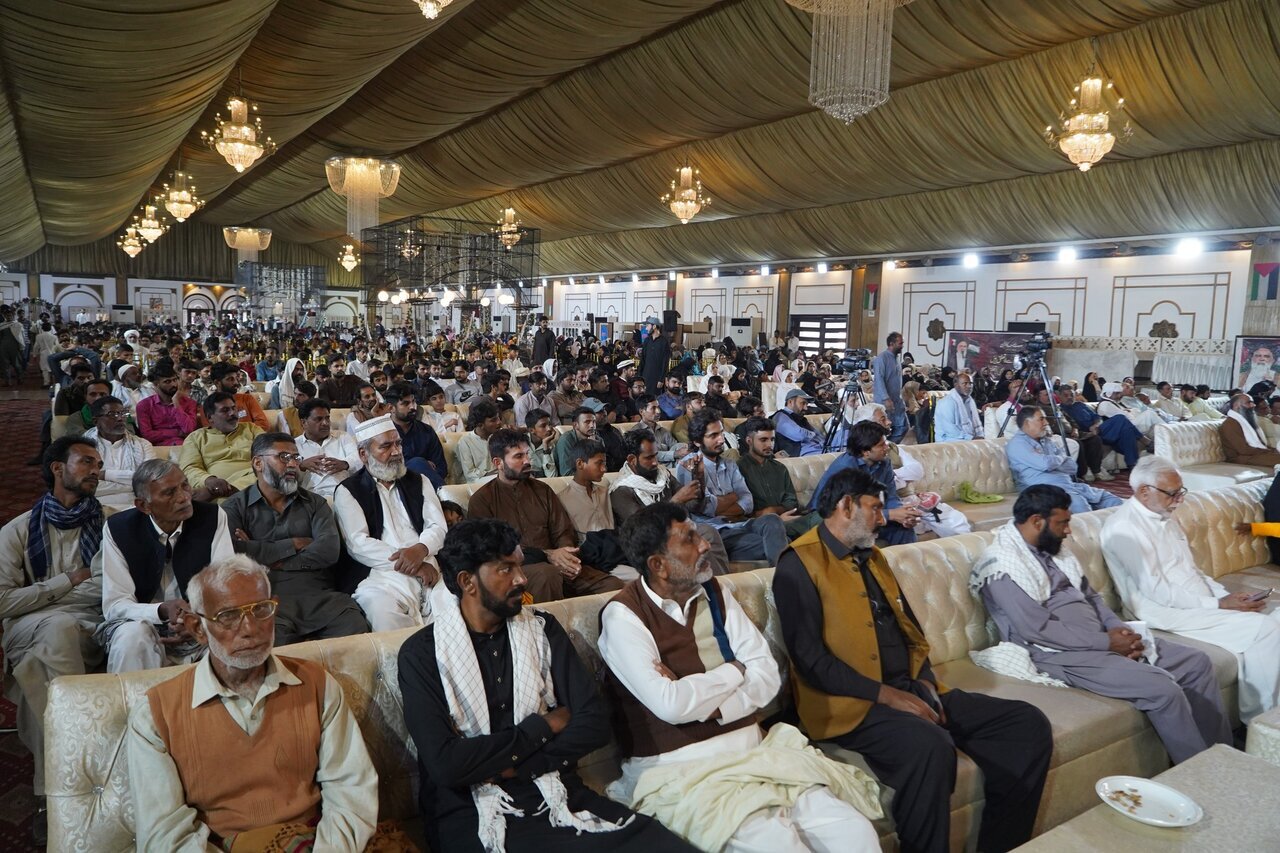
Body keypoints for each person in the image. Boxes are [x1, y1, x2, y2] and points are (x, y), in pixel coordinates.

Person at [775, 467, 1052, 853]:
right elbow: (811, 661)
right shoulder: (798, 563)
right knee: (930, 747)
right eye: (874, 508)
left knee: (1026, 725)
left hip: (907, 688)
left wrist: (922, 681)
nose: (882, 518)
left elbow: (908, 629)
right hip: (851, 705)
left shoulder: (871, 556)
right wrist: (888, 696)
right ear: (846, 506)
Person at [397, 518, 694, 853]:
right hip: (470, 811)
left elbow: (594, 723)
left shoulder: (543, 629)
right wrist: (545, 725)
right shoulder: (422, 654)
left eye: (519, 566)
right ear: (468, 582)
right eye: (506, 569)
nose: (522, 579)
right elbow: (446, 765)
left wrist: (516, 767)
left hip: (558, 790)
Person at [600, 502, 881, 852]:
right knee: (780, 846)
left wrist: (708, 701)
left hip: (759, 753)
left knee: (856, 833)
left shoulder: (714, 593)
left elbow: (767, 676)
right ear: (659, 565)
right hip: (685, 772)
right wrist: (735, 670)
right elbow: (670, 705)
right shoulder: (623, 617)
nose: (705, 544)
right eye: (689, 539)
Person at [127, 556, 382, 851]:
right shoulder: (156, 715)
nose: (250, 628)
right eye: (228, 616)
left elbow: (351, 792)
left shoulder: (317, 685)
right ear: (198, 628)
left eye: (261, 610)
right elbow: (165, 836)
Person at [973, 484, 1232, 764]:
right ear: (1037, 521)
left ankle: (1223, 757)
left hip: (1100, 639)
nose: (1068, 530)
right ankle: (1199, 772)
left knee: (1196, 663)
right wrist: (1108, 643)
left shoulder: (1055, 550)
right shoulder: (1002, 565)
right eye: (1063, 523)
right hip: (1057, 653)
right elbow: (1037, 630)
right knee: (1162, 689)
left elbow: (1091, 597)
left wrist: (1118, 629)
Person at [1101, 457, 1280, 722]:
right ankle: (1259, 721)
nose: (1180, 500)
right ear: (1144, 491)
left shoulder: (1165, 515)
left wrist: (1225, 596)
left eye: (1181, 491)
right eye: (1173, 493)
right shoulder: (1124, 528)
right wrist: (1219, 605)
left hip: (1198, 600)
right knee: (1265, 629)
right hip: (1162, 611)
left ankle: (1271, 709)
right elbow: (1157, 592)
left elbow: (1193, 570)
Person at [0, 437, 105, 832]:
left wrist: (37, 596)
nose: (96, 471)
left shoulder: (110, 524)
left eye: (99, 464)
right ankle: (81, 776)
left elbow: (108, 588)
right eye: (86, 462)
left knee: (39, 669)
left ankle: (52, 792)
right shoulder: (16, 531)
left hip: (90, 625)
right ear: (58, 468)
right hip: (28, 628)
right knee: (57, 629)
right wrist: (69, 580)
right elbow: (1, 601)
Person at [222, 433, 367, 645]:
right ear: (258, 463)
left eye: (296, 458)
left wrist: (263, 555)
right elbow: (234, 555)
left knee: (355, 629)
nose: (292, 464)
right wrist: (295, 544)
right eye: (283, 457)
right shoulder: (234, 507)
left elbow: (328, 551)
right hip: (265, 601)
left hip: (320, 597)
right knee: (271, 644)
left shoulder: (315, 503)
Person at [97, 458, 235, 672]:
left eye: (185, 485)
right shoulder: (119, 528)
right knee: (132, 638)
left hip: (201, 619)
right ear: (144, 505)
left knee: (231, 640)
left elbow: (225, 587)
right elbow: (116, 604)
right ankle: (137, 696)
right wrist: (161, 610)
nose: (184, 497)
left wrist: (198, 620)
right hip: (143, 621)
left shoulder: (213, 516)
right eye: (169, 493)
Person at [468, 429, 623, 602]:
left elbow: (563, 532)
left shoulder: (542, 490)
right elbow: (492, 551)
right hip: (514, 570)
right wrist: (548, 554)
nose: (527, 461)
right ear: (498, 463)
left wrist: (566, 558)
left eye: (527, 454)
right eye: (518, 456)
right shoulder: (482, 500)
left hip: (556, 565)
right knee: (547, 575)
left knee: (613, 585)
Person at [333, 414, 448, 630]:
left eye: (398, 444)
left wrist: (421, 549)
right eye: (386, 446)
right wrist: (413, 564)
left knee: (452, 610)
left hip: (429, 564)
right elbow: (358, 543)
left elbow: (438, 526)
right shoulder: (348, 490)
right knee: (383, 613)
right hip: (380, 575)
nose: (396, 452)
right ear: (363, 454)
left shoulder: (419, 480)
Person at [610, 428, 731, 575]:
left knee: (709, 533)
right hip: (652, 545)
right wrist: (675, 501)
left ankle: (720, 582)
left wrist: (698, 477)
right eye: (649, 458)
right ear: (632, 460)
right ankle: (716, 585)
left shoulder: (662, 475)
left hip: (677, 532)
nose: (655, 462)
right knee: (703, 535)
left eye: (656, 455)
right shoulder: (621, 490)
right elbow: (643, 530)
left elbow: (694, 506)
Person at [674, 411, 789, 564]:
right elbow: (704, 507)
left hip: (739, 524)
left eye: (721, 433)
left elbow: (748, 502)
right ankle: (784, 576)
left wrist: (722, 505)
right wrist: (734, 497)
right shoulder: (688, 466)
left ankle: (782, 572)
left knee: (772, 520)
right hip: (716, 532)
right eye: (713, 436)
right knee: (782, 543)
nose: (721, 439)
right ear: (697, 441)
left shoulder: (730, 464)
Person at [808, 421, 921, 546]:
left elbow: (890, 496)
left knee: (904, 529)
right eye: (881, 445)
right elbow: (849, 511)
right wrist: (891, 514)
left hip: (865, 515)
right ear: (865, 451)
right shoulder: (846, 467)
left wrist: (903, 514)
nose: (887, 447)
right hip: (829, 516)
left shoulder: (884, 463)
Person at [1006, 406, 1121, 514]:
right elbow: (1045, 464)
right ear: (1027, 423)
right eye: (1041, 419)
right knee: (1081, 506)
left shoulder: (1046, 441)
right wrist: (1061, 459)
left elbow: (1072, 467)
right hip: (1043, 491)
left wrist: (1055, 461)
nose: (1046, 423)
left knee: (1114, 501)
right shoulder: (1018, 444)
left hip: (1069, 486)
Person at [737, 416, 821, 540]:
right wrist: (768, 515)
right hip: (759, 524)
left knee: (823, 516)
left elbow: (791, 501)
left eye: (772, 439)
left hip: (787, 518)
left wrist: (773, 510)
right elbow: (739, 509)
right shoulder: (738, 469)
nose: (769, 445)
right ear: (749, 441)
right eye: (763, 440)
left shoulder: (780, 468)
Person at [180, 391, 264, 502]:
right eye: (225, 410)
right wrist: (208, 480)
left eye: (233, 408)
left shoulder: (252, 429)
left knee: (266, 473)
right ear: (210, 418)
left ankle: (230, 491)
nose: (232, 413)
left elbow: (269, 454)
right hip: (220, 487)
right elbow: (189, 468)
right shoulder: (196, 438)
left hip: (248, 480)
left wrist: (214, 491)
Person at [84, 395, 155, 511]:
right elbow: (83, 486)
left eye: (123, 413)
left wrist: (105, 475)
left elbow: (150, 480)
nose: (120, 418)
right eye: (112, 414)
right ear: (96, 421)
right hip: (94, 508)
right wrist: (133, 485)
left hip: (135, 508)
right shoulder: (83, 448)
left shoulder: (143, 445)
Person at [383, 380, 449, 489]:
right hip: (396, 487)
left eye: (413, 401)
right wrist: (422, 465)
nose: (412, 407)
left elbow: (441, 468)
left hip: (427, 487)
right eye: (406, 404)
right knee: (417, 462)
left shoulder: (427, 430)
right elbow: (383, 468)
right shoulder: (382, 434)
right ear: (391, 408)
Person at [293, 398, 362, 500]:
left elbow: (360, 458)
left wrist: (345, 464)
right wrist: (301, 466)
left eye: (327, 418)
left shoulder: (342, 436)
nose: (325, 423)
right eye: (318, 419)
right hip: (310, 498)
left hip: (344, 493)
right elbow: (286, 477)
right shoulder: (294, 445)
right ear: (303, 423)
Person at [1037, 387, 1110, 481]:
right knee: (1077, 443)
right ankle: (1083, 472)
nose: (1049, 396)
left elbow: (1071, 420)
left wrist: (1075, 429)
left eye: (1050, 394)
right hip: (1058, 435)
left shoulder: (1056, 407)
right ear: (1038, 396)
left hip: (1073, 432)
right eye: (1046, 395)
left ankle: (1096, 470)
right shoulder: (1038, 410)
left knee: (1095, 439)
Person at [134, 361, 200, 446]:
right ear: (156, 384)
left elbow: (189, 429)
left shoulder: (189, 403)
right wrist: (177, 432)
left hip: (185, 446)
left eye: (175, 380)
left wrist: (176, 403)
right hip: (157, 448)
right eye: (167, 382)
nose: (174, 384)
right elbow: (147, 435)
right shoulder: (144, 405)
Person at [1221, 392, 1280, 466]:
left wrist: (1272, 450)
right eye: (1249, 403)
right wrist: (1267, 451)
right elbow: (1243, 450)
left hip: (1254, 454)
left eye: (1253, 403)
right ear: (1236, 406)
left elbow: (1260, 444)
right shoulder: (1230, 424)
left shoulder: (1246, 421)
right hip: (1241, 458)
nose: (1253, 405)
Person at [207, 362, 269, 430]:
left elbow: (263, 424)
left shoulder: (247, 399)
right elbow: (211, 431)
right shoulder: (208, 405)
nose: (236, 382)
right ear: (217, 382)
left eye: (236, 378)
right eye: (230, 379)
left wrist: (245, 435)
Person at [456, 396, 502, 484]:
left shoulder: (500, 436)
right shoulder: (465, 442)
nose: (499, 422)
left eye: (498, 418)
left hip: (500, 480)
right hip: (478, 484)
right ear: (481, 425)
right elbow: (470, 474)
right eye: (493, 420)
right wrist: (494, 474)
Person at [872, 332, 907, 443]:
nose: (902, 346)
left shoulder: (896, 358)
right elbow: (879, 380)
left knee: (903, 426)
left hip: (896, 400)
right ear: (891, 343)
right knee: (884, 430)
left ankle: (890, 446)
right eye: (900, 343)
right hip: (884, 401)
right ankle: (885, 446)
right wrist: (886, 398)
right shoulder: (881, 358)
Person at [771, 388, 826, 456]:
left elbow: (819, 435)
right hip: (800, 452)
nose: (806, 408)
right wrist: (814, 435)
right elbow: (800, 435)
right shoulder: (780, 416)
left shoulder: (800, 418)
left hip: (817, 448)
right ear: (790, 402)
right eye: (803, 403)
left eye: (806, 404)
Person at [932, 372, 983, 442]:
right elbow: (949, 429)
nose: (969, 386)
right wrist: (970, 438)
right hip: (947, 440)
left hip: (966, 438)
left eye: (971, 383)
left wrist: (979, 436)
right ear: (956, 385)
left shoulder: (969, 401)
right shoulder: (947, 402)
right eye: (965, 383)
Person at [635, 393, 686, 463]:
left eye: (658, 407)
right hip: (650, 466)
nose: (658, 411)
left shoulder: (663, 430)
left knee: (682, 446)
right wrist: (674, 454)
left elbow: (675, 446)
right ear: (641, 412)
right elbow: (648, 455)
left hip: (669, 464)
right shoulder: (636, 432)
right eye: (653, 408)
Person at [555, 404, 600, 476]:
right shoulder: (566, 440)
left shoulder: (598, 439)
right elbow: (566, 473)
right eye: (587, 422)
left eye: (594, 422)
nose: (592, 425)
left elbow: (602, 467)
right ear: (575, 425)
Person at [640, 317, 671, 396]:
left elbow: (665, 362)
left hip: (656, 377)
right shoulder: (647, 340)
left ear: (654, 326)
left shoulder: (664, 342)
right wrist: (639, 376)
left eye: (648, 325)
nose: (646, 328)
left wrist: (661, 379)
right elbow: (642, 359)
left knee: (655, 397)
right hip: (645, 375)